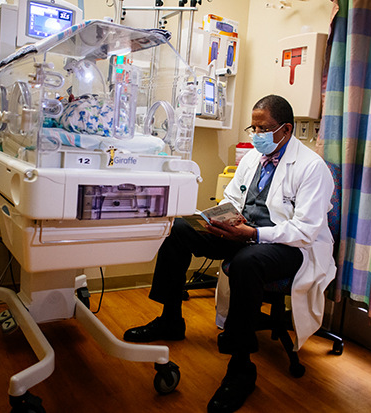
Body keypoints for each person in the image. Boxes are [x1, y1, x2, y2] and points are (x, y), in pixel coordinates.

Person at [123, 95, 336, 413]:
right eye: (254, 126)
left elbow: (304, 230)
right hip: (245, 232)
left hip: (290, 247)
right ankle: (170, 320)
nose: (256, 134)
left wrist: (253, 233)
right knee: (179, 229)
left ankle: (241, 368)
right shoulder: (253, 158)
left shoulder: (311, 168)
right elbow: (233, 196)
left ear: (286, 130)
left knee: (246, 263)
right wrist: (225, 218)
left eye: (263, 128)